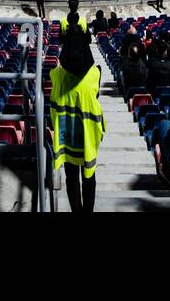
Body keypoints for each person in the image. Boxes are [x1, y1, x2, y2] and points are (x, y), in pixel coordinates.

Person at [50, 25, 105, 213]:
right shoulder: (94, 74)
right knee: (89, 177)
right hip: (88, 139)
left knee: (71, 177)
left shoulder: (57, 76)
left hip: (67, 139)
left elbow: (54, 71)